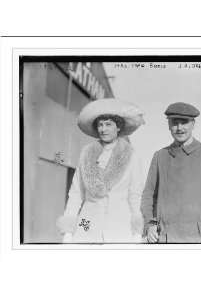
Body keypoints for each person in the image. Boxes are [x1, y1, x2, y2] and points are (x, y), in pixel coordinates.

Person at [141, 102, 201, 243]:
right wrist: (149, 224)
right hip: (165, 239)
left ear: (193, 124)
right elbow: (148, 196)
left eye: (184, 122)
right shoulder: (160, 156)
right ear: (168, 125)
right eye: (174, 123)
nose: (179, 128)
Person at [56, 98, 145, 243]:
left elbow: (135, 195)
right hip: (87, 223)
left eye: (109, 124)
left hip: (119, 226)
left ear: (118, 127)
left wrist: (136, 232)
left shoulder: (131, 156)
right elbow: (76, 194)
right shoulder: (86, 154)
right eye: (100, 125)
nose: (103, 129)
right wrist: (68, 232)